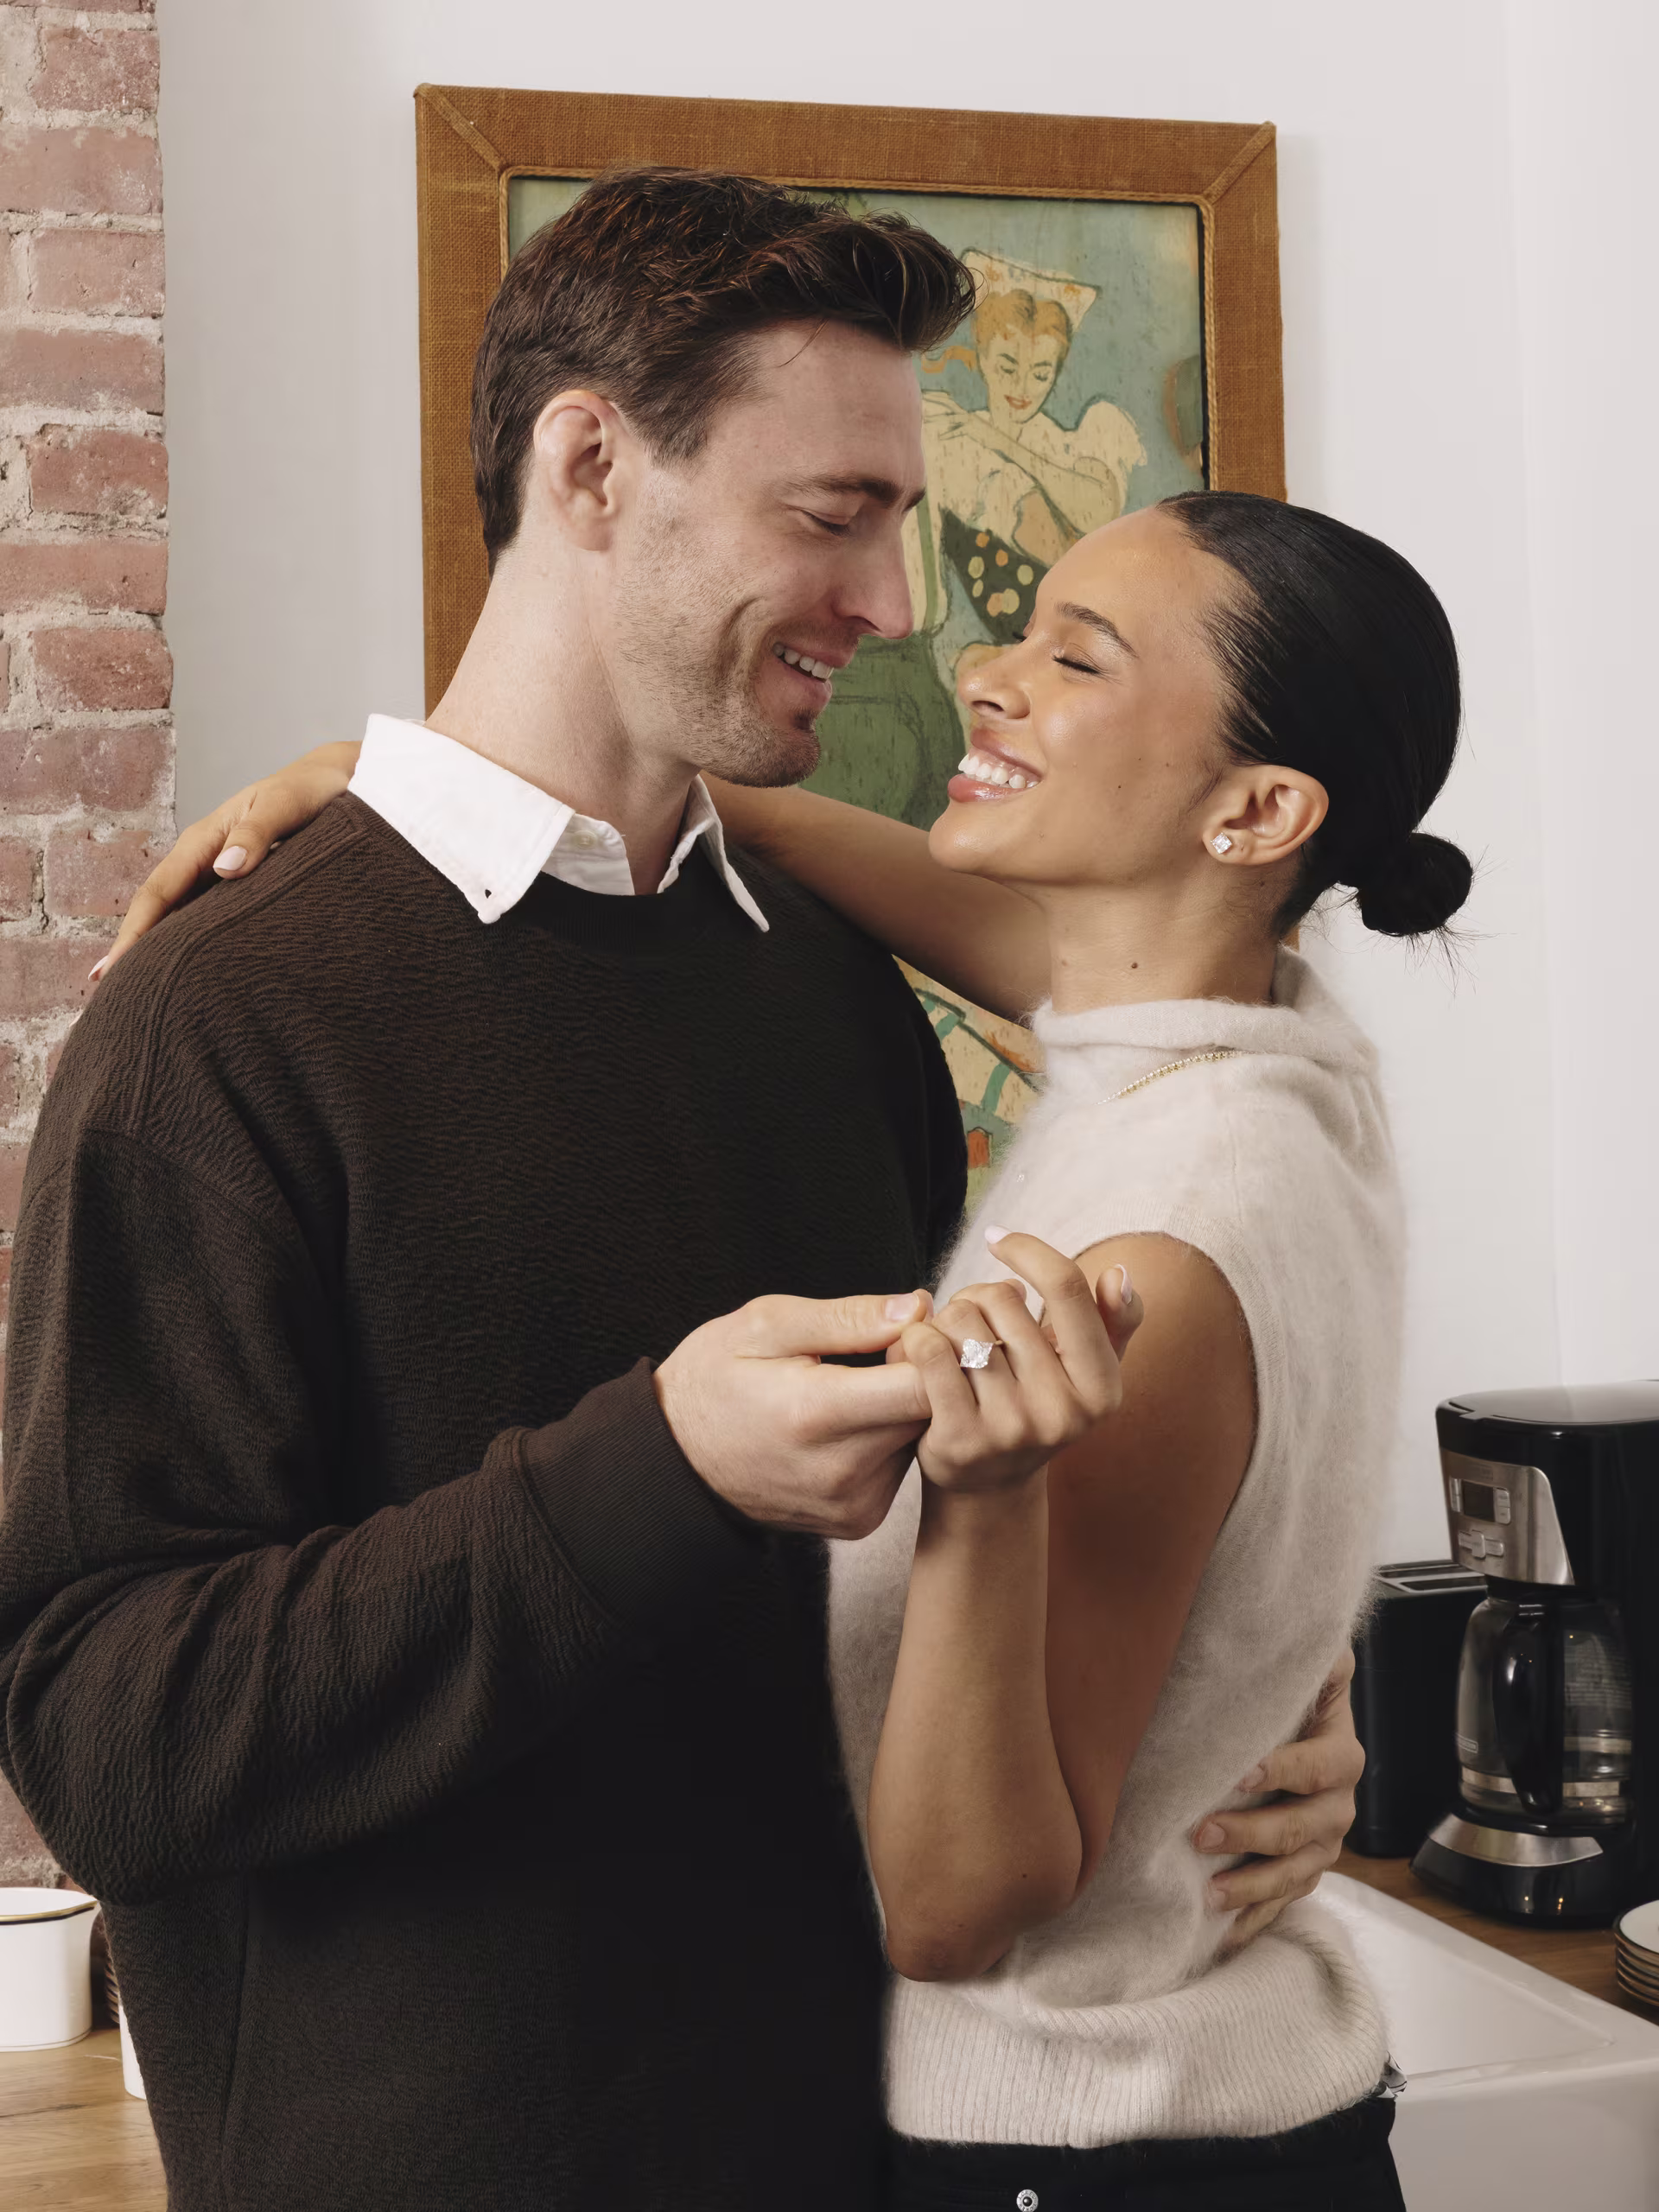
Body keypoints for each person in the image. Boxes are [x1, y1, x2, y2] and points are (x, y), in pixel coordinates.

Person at [0, 171, 1360, 2212]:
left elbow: (975, 1562)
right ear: (590, 463)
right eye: (833, 514)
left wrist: (1245, 1701)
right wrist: (654, 1467)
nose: (899, 604)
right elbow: (106, 1736)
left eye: (899, 519)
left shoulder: (829, 994)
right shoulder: (227, 1018)